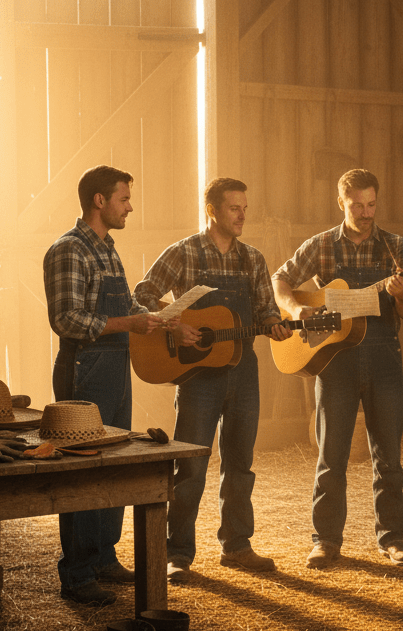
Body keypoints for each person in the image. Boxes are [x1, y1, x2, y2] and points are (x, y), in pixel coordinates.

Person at [134, 177, 291, 583]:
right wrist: (173, 325)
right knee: (191, 468)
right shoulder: (184, 252)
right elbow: (143, 293)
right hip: (198, 378)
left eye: (244, 207)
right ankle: (178, 555)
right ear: (213, 211)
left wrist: (275, 324)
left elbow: (265, 308)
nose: (242, 215)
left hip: (243, 372)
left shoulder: (252, 259)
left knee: (240, 463)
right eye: (234, 208)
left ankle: (237, 545)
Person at [273, 168, 403, 570]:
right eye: (358, 205)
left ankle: (393, 539)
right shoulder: (320, 245)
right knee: (331, 456)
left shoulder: (396, 248)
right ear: (341, 203)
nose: (366, 212)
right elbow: (280, 279)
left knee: (388, 456)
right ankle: (326, 540)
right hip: (335, 363)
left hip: (384, 359)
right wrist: (297, 308)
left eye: (372, 204)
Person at [44, 164, 177, 606]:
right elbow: (66, 319)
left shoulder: (108, 249)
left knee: (114, 462)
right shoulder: (69, 250)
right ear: (99, 202)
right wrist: (129, 322)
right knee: (83, 470)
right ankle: (77, 574)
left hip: (115, 367)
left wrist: (159, 320)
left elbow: (127, 305)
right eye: (123, 198)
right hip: (84, 369)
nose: (130, 206)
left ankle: (102, 557)